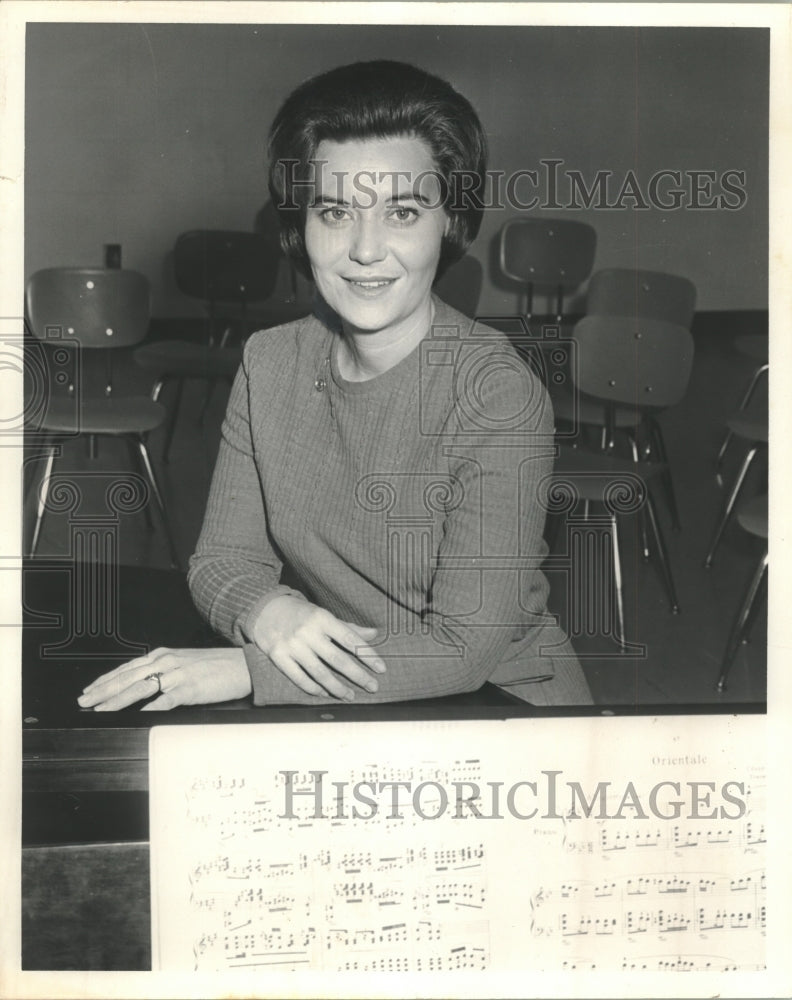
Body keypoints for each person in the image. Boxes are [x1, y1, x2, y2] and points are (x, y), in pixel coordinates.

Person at [78, 60, 592, 712]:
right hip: (351, 688)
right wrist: (268, 612)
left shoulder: (495, 395)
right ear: (300, 225)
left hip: (500, 707)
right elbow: (220, 563)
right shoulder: (269, 362)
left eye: (402, 212)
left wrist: (249, 671)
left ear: (450, 222)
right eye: (336, 211)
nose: (366, 249)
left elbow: (463, 649)